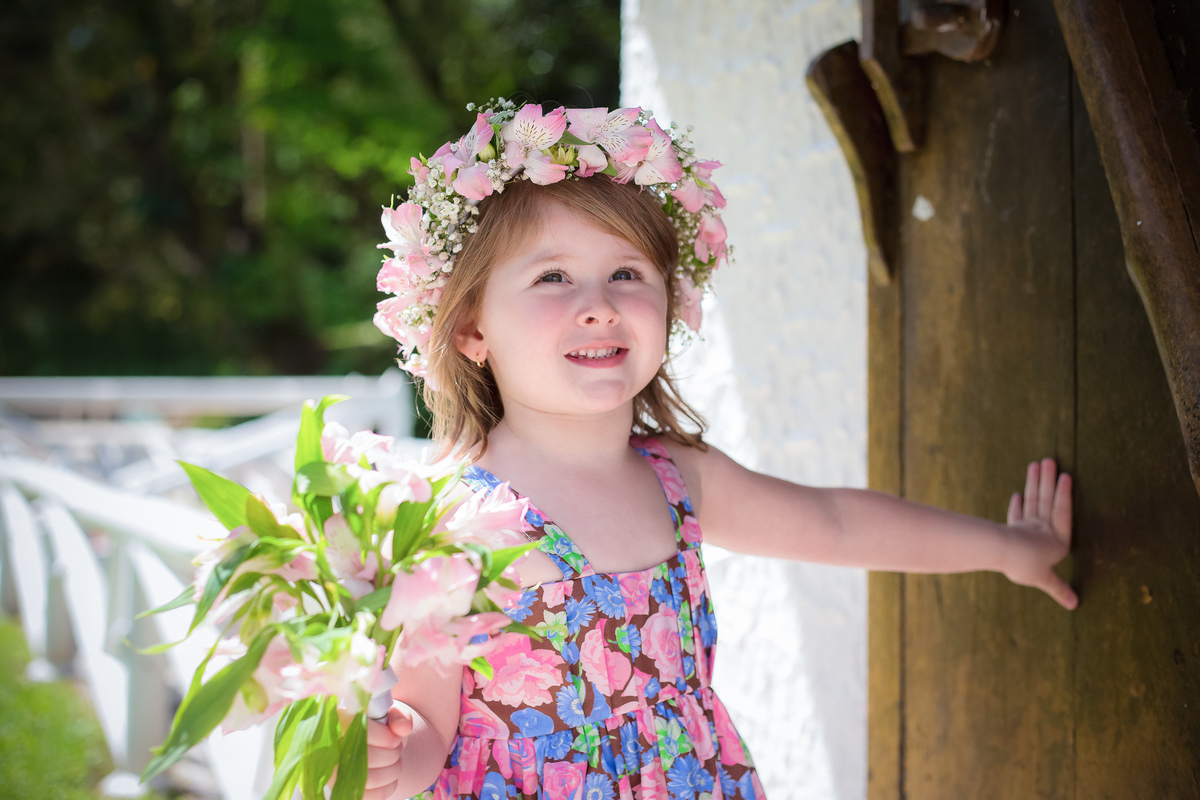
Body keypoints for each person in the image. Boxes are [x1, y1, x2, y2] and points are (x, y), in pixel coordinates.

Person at [364, 99, 1077, 800]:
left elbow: (837, 524)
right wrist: (389, 759)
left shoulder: (677, 479)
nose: (600, 303)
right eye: (552, 276)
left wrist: (1009, 547)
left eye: (627, 273)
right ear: (470, 331)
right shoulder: (451, 518)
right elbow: (429, 726)